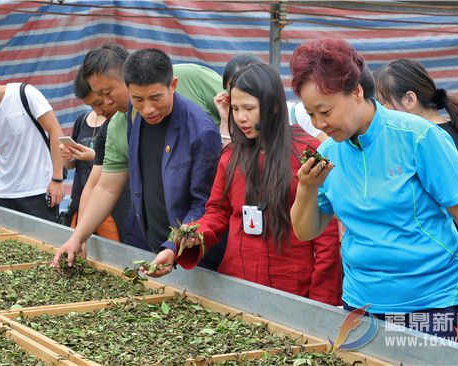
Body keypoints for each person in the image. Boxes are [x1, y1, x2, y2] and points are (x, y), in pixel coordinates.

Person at [289, 39, 458, 346]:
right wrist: (306, 189)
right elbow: (306, 231)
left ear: (356, 92)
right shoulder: (329, 152)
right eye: (311, 114)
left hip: (432, 303)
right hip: (362, 305)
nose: (319, 123)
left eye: (325, 111)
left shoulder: (418, 137)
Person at [160, 63, 342, 306]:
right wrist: (194, 235)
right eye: (235, 109)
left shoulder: (307, 153)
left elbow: (326, 235)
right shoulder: (231, 155)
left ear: (274, 106)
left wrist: (322, 301)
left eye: (249, 108)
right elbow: (217, 211)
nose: (241, 117)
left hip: (292, 286)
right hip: (238, 282)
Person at [53, 47, 222, 273]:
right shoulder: (130, 116)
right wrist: (77, 238)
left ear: (173, 85)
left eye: (155, 98)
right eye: (138, 99)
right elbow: (107, 187)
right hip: (152, 242)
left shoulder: (201, 131)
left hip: (194, 255)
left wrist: (174, 247)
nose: (148, 108)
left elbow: (204, 204)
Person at [373, 58, 458, 306]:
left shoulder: (428, 140)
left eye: (383, 104)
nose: (379, 114)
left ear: (410, 100)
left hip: (449, 268)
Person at [0, 62, 64, 221]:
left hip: (38, 191)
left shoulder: (24, 94)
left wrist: (57, 179)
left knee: (44, 243)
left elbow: (55, 131)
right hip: (3, 194)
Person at [59, 68, 130, 242]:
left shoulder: (119, 122)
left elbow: (116, 170)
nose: (98, 110)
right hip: (83, 198)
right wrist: (68, 157)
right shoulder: (82, 120)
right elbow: (75, 168)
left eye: (99, 102)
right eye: (91, 105)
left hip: (115, 204)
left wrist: (93, 156)